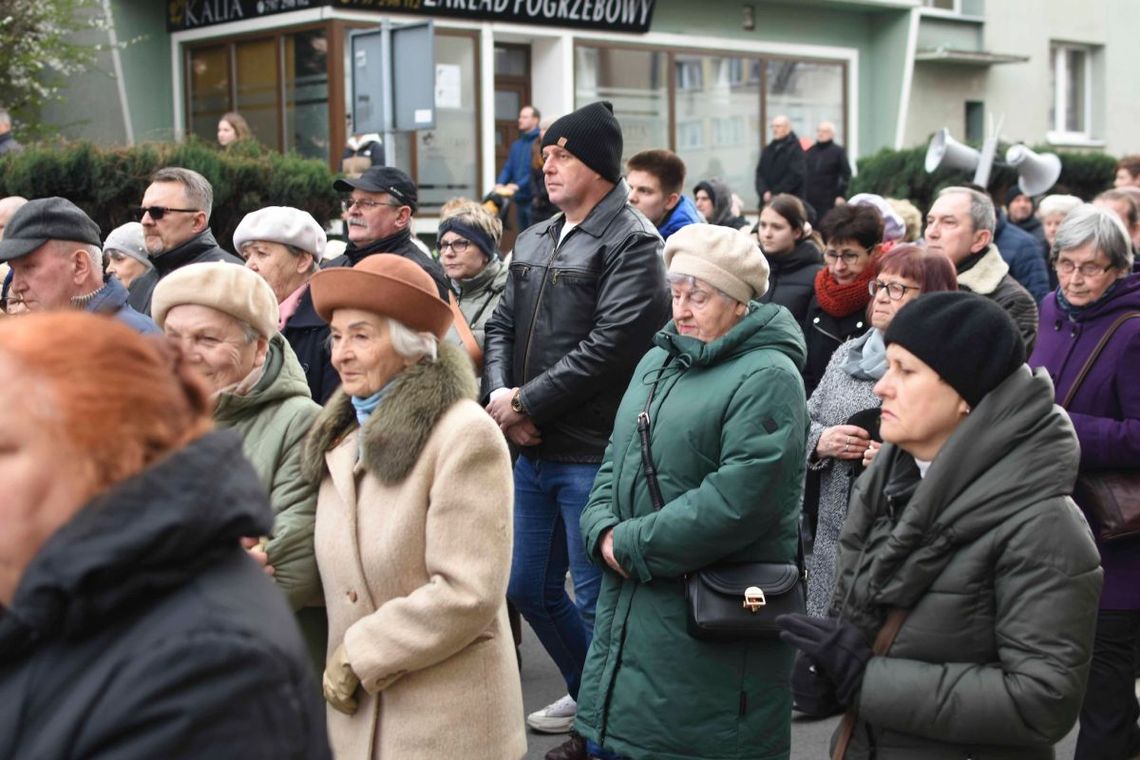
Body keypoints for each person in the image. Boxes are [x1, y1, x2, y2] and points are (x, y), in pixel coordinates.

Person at [780, 291, 1102, 758]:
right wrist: (833, 672)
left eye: (905, 371)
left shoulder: (1043, 526)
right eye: (888, 366)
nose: (880, 387)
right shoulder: (887, 483)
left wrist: (866, 679)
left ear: (965, 396)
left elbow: (1043, 702)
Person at [0, 312, 331, 759]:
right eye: (174, 335)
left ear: (106, 458)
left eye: (5, 448)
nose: (189, 352)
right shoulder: (52, 588)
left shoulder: (212, 665)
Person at [574, 223, 806, 760]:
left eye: (698, 296)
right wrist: (601, 529)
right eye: (676, 293)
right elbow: (617, 455)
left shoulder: (768, 375)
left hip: (708, 614)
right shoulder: (659, 360)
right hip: (632, 598)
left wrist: (628, 545)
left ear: (739, 303)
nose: (681, 309)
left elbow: (740, 500)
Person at [482, 100, 670, 760]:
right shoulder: (534, 236)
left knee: (597, 603)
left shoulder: (633, 240)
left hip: (593, 452)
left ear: (597, 163)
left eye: (561, 154)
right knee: (528, 588)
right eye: (546, 154)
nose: (546, 163)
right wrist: (505, 400)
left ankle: (613, 736)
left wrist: (529, 405)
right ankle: (594, 702)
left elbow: (614, 343)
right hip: (532, 448)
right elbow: (500, 325)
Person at [302, 254, 525, 759]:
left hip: (446, 727)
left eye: (361, 336)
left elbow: (468, 591)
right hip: (358, 724)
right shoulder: (341, 436)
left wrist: (360, 654)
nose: (341, 355)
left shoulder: (464, 435)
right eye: (336, 337)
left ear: (410, 348)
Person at [1027, 205, 1140, 760]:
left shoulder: (1134, 328)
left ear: (1119, 269)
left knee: (1106, 685)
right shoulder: (1049, 307)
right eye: (1065, 264)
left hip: (1115, 538)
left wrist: (1065, 427)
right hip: (1051, 523)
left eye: (1090, 268)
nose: (1074, 279)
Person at [151, 263, 323, 619]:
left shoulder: (300, 423)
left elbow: (287, 574)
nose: (184, 356)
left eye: (207, 339)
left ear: (260, 348)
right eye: (172, 338)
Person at [803, 244, 957, 619]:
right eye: (880, 286)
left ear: (932, 298)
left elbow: (957, 452)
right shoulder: (847, 354)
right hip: (829, 534)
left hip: (895, 541)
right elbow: (805, 419)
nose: (882, 298)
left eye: (898, 289)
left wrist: (894, 460)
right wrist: (821, 441)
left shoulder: (946, 369)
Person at [0, 196, 157, 333]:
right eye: (13, 270)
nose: (16, 286)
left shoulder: (137, 342)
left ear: (79, 265)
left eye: (29, 267)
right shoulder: (33, 338)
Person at [234, 205, 338, 404]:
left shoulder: (331, 324)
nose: (249, 266)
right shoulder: (244, 319)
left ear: (302, 260)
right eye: (247, 256)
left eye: (262, 253)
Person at [924, 186, 1039, 350]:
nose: (931, 232)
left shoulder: (1012, 302)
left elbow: (989, 371)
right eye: (929, 221)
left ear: (980, 239)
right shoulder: (913, 282)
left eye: (948, 222)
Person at [129, 166, 243, 314]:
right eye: (141, 212)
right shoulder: (141, 283)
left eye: (157, 212)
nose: (145, 221)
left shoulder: (231, 279)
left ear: (197, 222)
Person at [328, 165, 449, 299]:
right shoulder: (331, 271)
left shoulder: (420, 279)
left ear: (401, 217)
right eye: (351, 202)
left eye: (367, 203)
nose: (352, 211)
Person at [802, 203, 882, 396]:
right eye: (831, 254)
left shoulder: (884, 300)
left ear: (875, 252)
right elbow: (805, 370)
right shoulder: (819, 295)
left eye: (850, 255)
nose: (838, 266)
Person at [438, 201, 507, 349]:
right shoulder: (435, 290)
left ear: (486, 252)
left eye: (460, 244)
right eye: (444, 244)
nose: (448, 253)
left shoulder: (512, 294)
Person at [754, 193, 823, 325]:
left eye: (777, 227)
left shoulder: (817, 276)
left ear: (797, 232)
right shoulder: (751, 266)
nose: (767, 234)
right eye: (763, 225)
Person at [626, 149, 702, 238]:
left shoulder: (686, 241)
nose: (631, 197)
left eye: (644, 191)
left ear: (670, 201)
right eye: (629, 188)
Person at [495, 105, 542, 232]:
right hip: (519, 200)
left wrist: (518, 185)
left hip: (535, 200)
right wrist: (500, 183)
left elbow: (536, 170)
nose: (520, 120)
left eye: (524, 117)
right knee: (523, 235)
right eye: (520, 117)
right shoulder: (517, 145)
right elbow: (508, 167)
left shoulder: (539, 143)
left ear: (535, 120)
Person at [995, 200, 1051, 302]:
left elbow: (1037, 290)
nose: (1022, 205)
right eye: (1017, 200)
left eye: (1027, 200)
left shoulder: (1028, 241)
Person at [755, 115, 806, 204]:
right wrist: (764, 191)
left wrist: (775, 193)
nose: (774, 129)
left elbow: (795, 175)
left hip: (787, 202)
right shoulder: (768, 149)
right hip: (766, 200)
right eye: (773, 126)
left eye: (778, 126)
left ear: (787, 128)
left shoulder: (795, 149)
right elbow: (760, 173)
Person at [1037, 193, 1083, 290]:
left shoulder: (1080, 252)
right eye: (1048, 224)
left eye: (1058, 223)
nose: (1052, 229)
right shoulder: (1038, 251)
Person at [805, 121, 851, 215]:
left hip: (829, 200)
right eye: (819, 131)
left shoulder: (838, 152)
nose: (820, 134)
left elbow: (846, 174)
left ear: (832, 134)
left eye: (824, 131)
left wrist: (840, 195)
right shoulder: (810, 152)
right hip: (810, 200)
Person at [103, 221, 153, 291]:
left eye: (119, 259)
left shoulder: (167, 298)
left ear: (146, 261)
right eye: (108, 261)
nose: (108, 270)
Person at [1095, 188, 1140, 257]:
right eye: (1094, 220)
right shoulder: (1075, 261)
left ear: (1134, 229)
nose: (1101, 228)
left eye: (1112, 223)